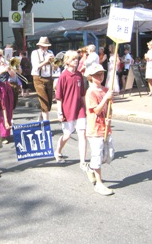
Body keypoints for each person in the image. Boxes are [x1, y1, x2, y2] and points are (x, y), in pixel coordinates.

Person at [54, 50, 88, 171]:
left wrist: (86, 108)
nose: (76, 60)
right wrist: (60, 112)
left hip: (80, 108)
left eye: (77, 58)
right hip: (68, 109)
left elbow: (83, 94)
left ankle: (83, 161)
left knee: (82, 134)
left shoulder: (79, 75)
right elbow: (59, 97)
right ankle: (58, 151)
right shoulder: (63, 76)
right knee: (67, 135)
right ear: (67, 61)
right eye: (73, 59)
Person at [85, 63, 114, 196]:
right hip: (95, 128)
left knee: (109, 155)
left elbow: (109, 109)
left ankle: (91, 168)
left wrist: (109, 118)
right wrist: (105, 98)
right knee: (97, 156)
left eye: (101, 73)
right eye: (97, 74)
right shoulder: (90, 92)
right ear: (91, 77)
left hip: (105, 127)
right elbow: (96, 110)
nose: (100, 76)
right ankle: (99, 183)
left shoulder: (106, 90)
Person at [31, 37, 55, 121]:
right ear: (39, 46)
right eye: (43, 46)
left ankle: (41, 118)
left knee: (48, 102)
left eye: (46, 46)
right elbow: (36, 67)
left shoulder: (50, 52)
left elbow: (54, 67)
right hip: (38, 78)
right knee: (44, 100)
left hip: (49, 77)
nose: (44, 48)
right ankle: (46, 124)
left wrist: (54, 64)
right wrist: (46, 61)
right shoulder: (35, 53)